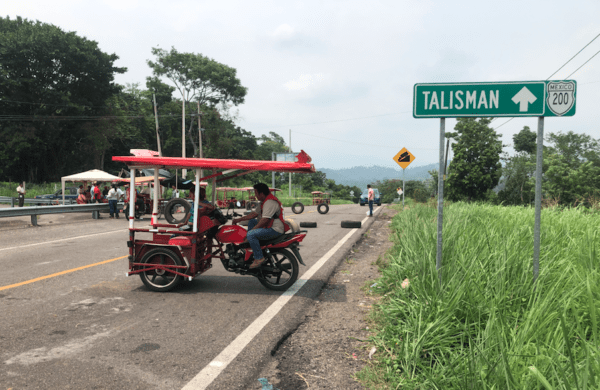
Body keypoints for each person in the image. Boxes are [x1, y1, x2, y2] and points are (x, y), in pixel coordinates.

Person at [232, 183, 287, 269]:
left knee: (251, 234)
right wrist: (238, 220)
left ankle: (259, 258)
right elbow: (254, 214)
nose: (255, 196)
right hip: (270, 227)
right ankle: (251, 248)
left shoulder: (270, 202)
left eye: (256, 193)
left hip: (275, 230)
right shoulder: (264, 201)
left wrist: (250, 233)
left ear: (261, 194)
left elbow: (264, 220)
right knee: (252, 221)